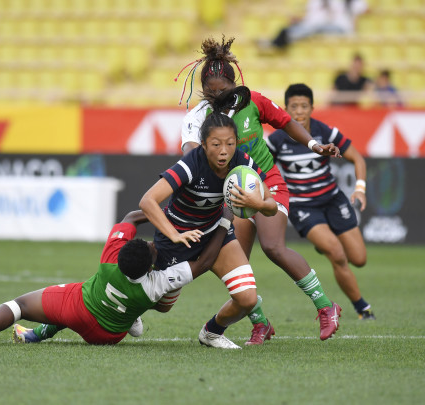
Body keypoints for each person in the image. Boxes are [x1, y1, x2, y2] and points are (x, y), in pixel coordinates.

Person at [177, 36, 342, 344]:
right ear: (203, 89)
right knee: (234, 263)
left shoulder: (252, 101)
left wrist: (314, 145)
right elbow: (189, 154)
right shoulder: (197, 118)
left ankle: (325, 306)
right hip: (232, 195)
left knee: (273, 247)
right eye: (211, 91)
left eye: (223, 90)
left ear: (233, 84)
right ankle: (261, 323)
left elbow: (285, 122)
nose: (217, 95)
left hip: (268, 184)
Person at [0, 207, 235, 345]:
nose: (150, 244)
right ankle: (34, 335)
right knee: (163, 295)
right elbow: (205, 262)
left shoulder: (110, 258)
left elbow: (130, 217)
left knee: (21, 305)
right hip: (109, 336)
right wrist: (224, 219)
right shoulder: (156, 284)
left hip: (82, 309)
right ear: (148, 269)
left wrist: (160, 212)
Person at [140, 88, 281, 349]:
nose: (224, 151)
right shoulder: (191, 164)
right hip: (178, 238)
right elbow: (147, 201)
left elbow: (272, 207)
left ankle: (212, 332)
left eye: (230, 143)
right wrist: (174, 234)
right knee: (162, 306)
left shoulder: (243, 162)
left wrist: (258, 203)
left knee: (247, 299)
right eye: (216, 145)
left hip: (216, 234)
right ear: (203, 145)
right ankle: (132, 307)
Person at [267, 83, 375, 320]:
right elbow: (262, 170)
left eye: (304, 106)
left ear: (312, 108)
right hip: (302, 206)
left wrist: (360, 189)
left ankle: (323, 242)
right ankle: (363, 309)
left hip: (333, 199)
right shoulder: (276, 140)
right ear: (285, 109)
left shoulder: (325, 132)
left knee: (359, 259)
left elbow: (357, 158)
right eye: (294, 106)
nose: (299, 111)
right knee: (336, 253)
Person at [262, 0, 369, 49]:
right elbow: (312, 17)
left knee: (315, 27)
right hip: (325, 25)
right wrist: (298, 20)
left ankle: (286, 36)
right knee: (313, 26)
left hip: (340, 28)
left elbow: (363, 8)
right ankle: (282, 37)